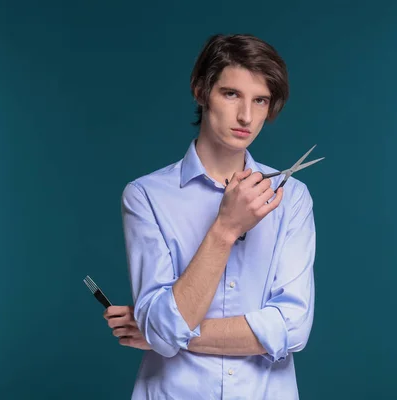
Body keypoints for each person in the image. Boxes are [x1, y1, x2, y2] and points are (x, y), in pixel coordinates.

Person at [103, 33, 317, 399]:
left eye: (260, 100)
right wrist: (226, 229)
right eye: (231, 94)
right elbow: (164, 332)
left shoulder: (291, 197)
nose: (246, 116)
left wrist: (164, 333)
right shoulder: (146, 197)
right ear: (201, 91)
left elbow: (291, 328)